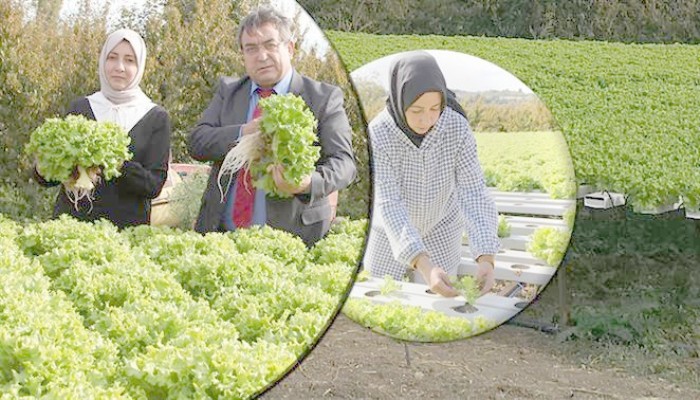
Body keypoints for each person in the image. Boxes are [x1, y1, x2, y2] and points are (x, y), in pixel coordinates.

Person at [188, 6, 356, 247]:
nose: (261, 55)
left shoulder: (323, 97)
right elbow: (197, 142)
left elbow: (344, 164)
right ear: (243, 55)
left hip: (292, 237)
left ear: (289, 48)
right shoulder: (229, 91)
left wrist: (308, 183)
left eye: (270, 45)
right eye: (251, 48)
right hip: (221, 236)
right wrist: (244, 132)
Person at [363, 51, 500, 297]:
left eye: (435, 108)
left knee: (438, 300)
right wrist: (423, 264)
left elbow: (473, 191)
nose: (426, 119)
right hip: (389, 229)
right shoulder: (379, 133)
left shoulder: (456, 127)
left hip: (442, 224)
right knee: (378, 294)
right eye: (416, 110)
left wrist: (486, 258)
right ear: (399, 100)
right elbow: (389, 204)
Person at [34, 29, 171, 229]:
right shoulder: (81, 108)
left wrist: (120, 165)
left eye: (130, 60)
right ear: (103, 61)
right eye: (112, 58)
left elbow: (153, 185)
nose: (120, 67)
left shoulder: (155, 117)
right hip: (70, 227)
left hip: (125, 233)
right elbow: (51, 177)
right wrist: (43, 166)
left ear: (140, 66)